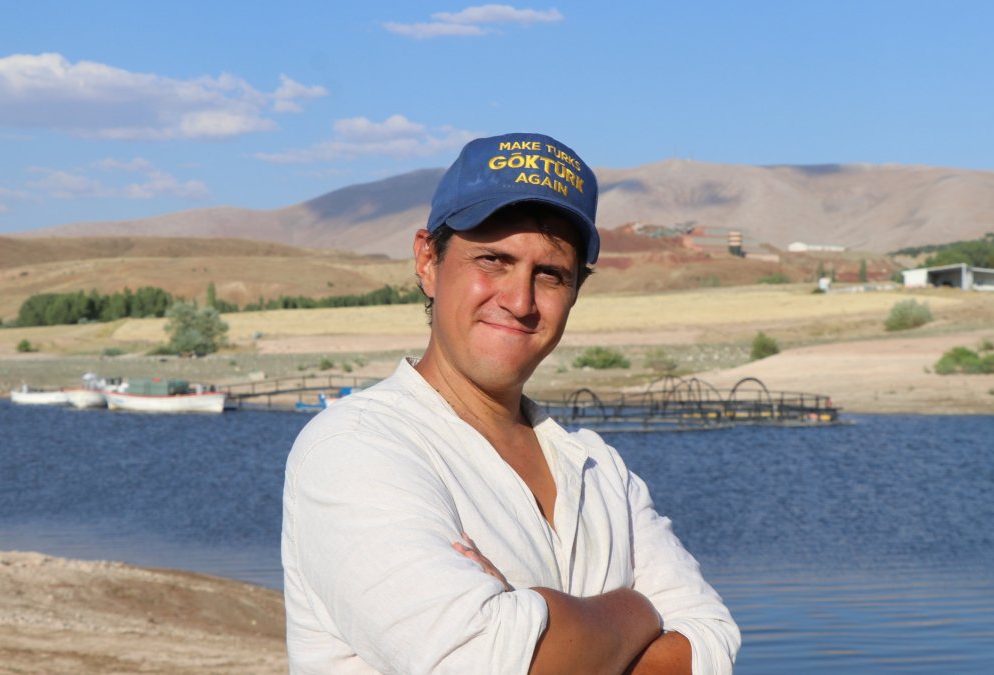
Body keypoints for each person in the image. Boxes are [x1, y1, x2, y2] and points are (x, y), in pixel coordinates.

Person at [282, 132, 740, 674]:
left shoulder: (598, 470)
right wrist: (636, 609)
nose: (520, 301)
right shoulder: (357, 449)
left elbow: (711, 647)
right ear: (428, 261)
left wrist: (537, 618)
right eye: (493, 260)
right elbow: (481, 664)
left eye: (550, 274)